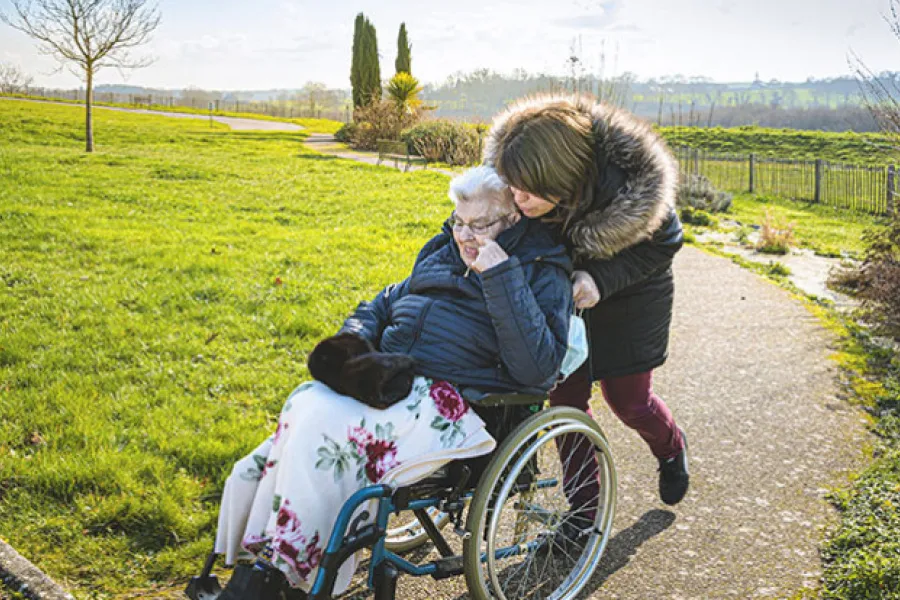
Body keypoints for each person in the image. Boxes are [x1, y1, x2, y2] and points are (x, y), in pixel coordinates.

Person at [213, 165, 575, 598]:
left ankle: (283, 572)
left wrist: (500, 276)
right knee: (306, 404)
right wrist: (353, 343)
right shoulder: (442, 250)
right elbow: (385, 301)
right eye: (458, 221)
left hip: (457, 405)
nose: (464, 235)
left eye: (479, 225)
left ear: (512, 219)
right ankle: (273, 566)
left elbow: (538, 370)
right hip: (394, 382)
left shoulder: (540, 270)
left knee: (320, 427)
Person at [484, 93, 690, 507]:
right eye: (513, 187)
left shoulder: (631, 187)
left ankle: (670, 449)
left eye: (529, 191)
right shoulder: (518, 170)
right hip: (562, 296)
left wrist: (601, 278)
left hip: (632, 293)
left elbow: (666, 243)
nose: (518, 199)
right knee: (565, 402)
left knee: (629, 402)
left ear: (563, 181)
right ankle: (583, 512)